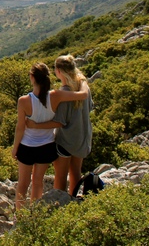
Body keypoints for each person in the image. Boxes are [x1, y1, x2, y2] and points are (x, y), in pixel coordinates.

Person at [11, 62, 89, 210]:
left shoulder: (24, 101)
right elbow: (83, 95)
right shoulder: (56, 95)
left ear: (32, 78)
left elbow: (20, 128)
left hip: (27, 147)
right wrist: (83, 81)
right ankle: (35, 214)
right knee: (38, 182)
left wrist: (15, 148)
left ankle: (20, 217)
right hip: (46, 147)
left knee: (22, 184)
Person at [26, 54, 93, 195]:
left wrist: (35, 125)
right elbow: (90, 107)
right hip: (81, 138)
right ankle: (73, 200)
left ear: (58, 71)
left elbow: (58, 122)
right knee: (76, 173)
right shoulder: (83, 88)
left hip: (65, 141)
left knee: (61, 175)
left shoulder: (63, 94)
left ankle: (61, 205)